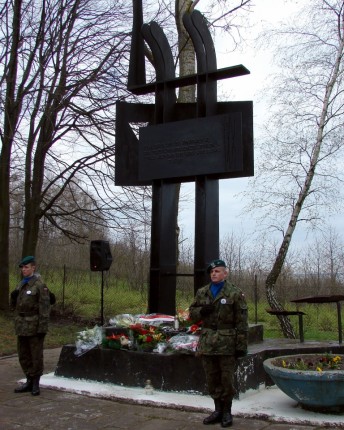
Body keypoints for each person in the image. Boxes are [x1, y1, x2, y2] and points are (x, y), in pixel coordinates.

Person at [189, 259, 248, 428]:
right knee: (212, 378)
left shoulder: (235, 293)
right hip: (208, 342)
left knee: (226, 378)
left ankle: (227, 411)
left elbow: (242, 322)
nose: (214, 274)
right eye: (212, 272)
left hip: (226, 343)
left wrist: (241, 346)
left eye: (217, 271)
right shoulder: (202, 292)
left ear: (225, 273)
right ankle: (217, 410)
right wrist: (201, 311)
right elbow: (191, 314)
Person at [10, 256, 53, 396]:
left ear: (33, 267)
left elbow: (45, 309)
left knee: (35, 356)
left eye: (26, 267)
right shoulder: (21, 284)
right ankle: (28, 380)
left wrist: (42, 328)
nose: (24, 269)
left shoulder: (40, 285)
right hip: (21, 326)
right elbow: (15, 307)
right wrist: (13, 297)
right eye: (22, 267)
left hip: (34, 326)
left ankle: (35, 383)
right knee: (23, 355)